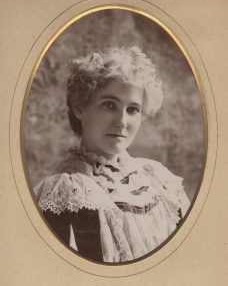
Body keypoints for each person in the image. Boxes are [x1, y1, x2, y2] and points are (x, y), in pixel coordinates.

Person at [34, 46, 190, 263]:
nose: (122, 122)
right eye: (109, 105)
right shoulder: (66, 193)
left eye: (133, 109)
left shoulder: (160, 181)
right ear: (80, 107)